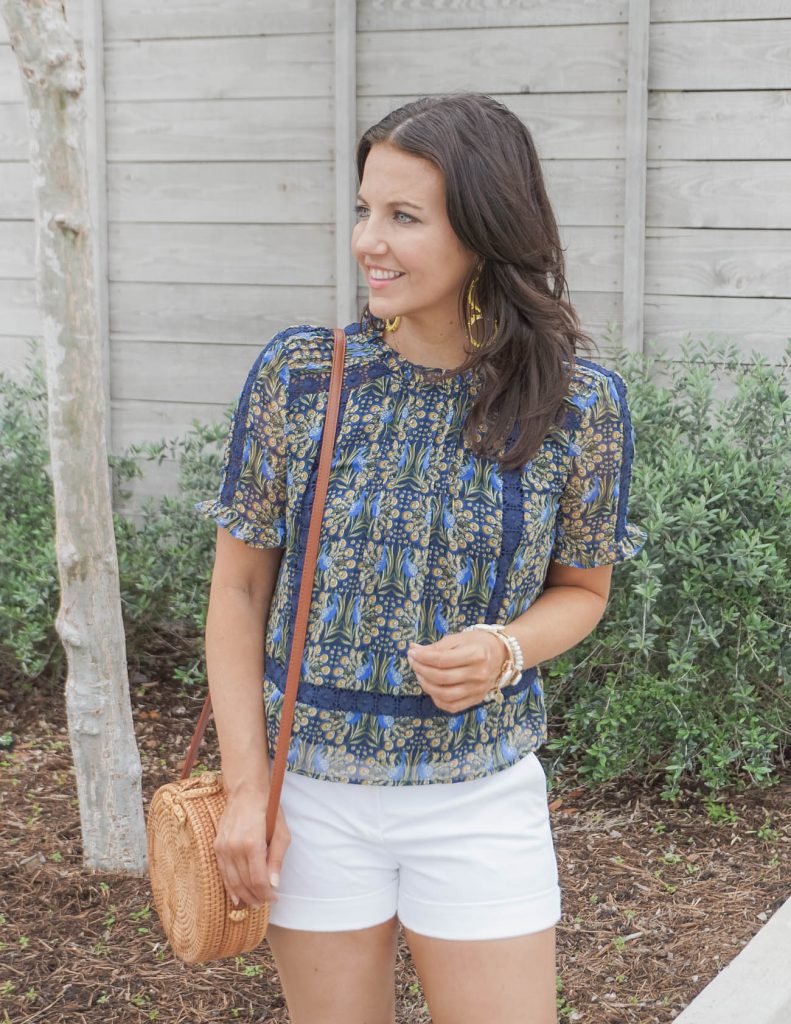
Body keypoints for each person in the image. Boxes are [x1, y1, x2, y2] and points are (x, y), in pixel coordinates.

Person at [193, 92, 647, 1024]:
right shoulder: (302, 376)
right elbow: (238, 592)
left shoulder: (577, 406)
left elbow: (582, 590)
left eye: (404, 217)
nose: (369, 240)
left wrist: (506, 649)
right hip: (307, 796)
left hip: (477, 798)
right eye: (365, 210)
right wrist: (248, 792)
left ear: (484, 231)